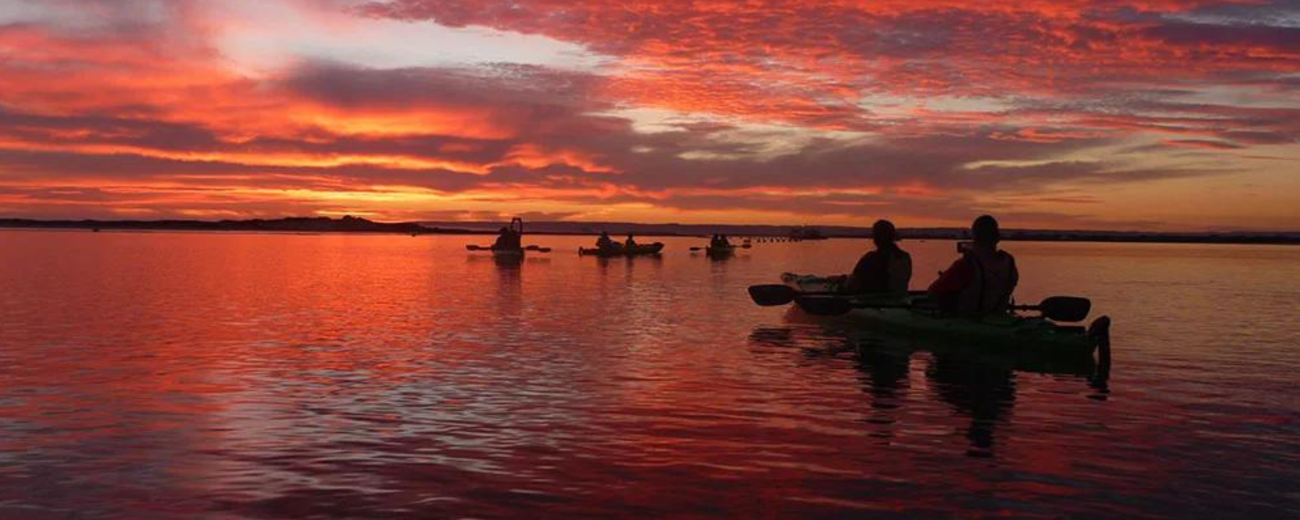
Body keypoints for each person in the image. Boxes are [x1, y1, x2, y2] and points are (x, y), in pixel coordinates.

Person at [928, 215, 1018, 314]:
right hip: (999, 319)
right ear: (997, 238)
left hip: (969, 321)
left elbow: (933, 292)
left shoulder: (966, 264)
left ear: (975, 238)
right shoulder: (1009, 263)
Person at [845, 219, 912, 294]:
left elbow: (853, 283)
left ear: (876, 238)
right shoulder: (905, 257)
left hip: (875, 301)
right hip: (901, 300)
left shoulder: (870, 258)